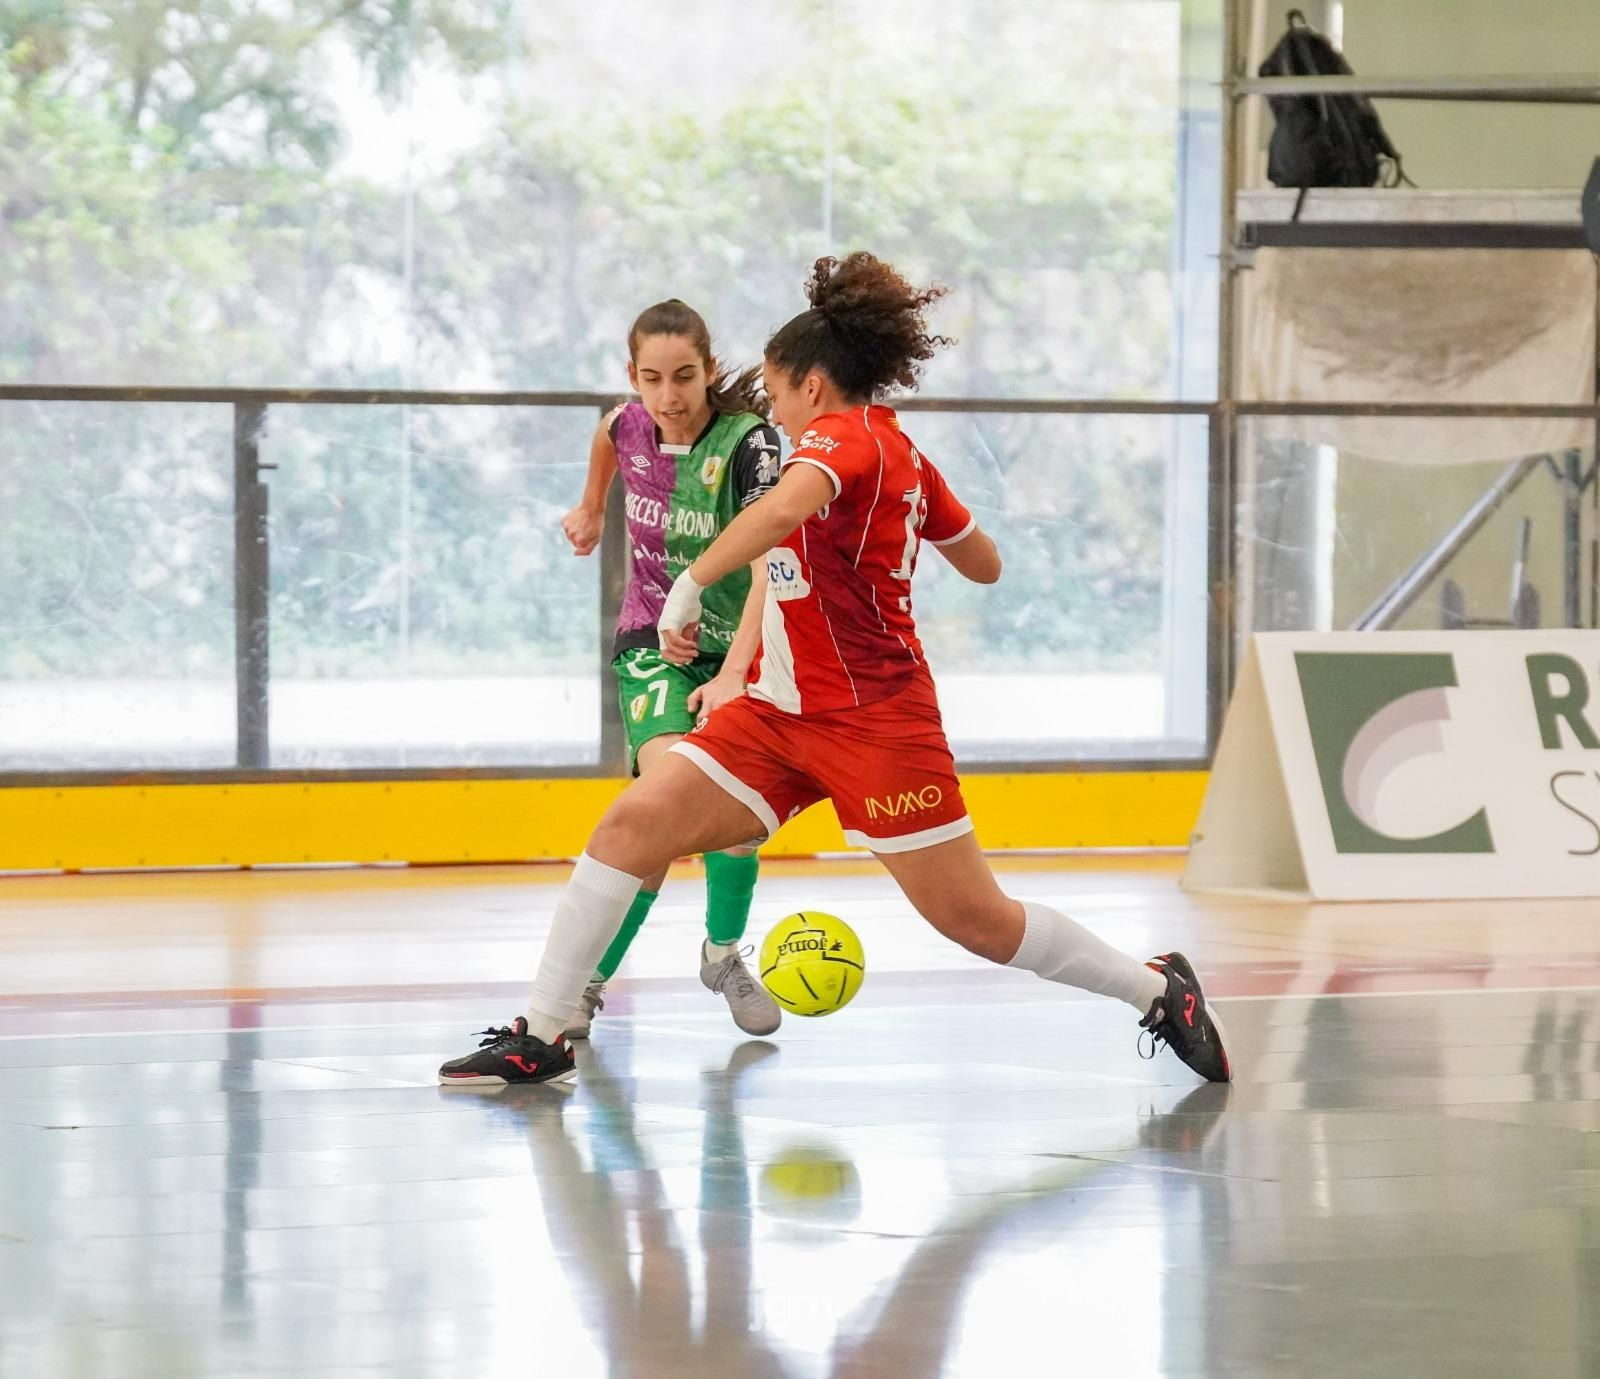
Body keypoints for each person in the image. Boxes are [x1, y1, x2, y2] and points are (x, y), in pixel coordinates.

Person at [440, 254, 1232, 1087]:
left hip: (877, 725)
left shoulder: (841, 441)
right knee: (631, 825)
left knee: (979, 922)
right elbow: (986, 563)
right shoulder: (905, 458)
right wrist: (903, 532)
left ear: (813, 387)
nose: (771, 411)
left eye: (778, 393)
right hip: (780, 714)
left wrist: (690, 582)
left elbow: (782, 508)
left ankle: (1157, 990)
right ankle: (545, 1030)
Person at [556, 299, 784, 1039]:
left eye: (684, 375)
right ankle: (589, 979)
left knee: (735, 823)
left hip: (737, 650)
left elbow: (771, 570)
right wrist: (592, 507)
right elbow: (607, 437)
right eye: (652, 378)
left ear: (710, 370)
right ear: (634, 378)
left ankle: (721, 955)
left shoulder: (749, 445)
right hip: (650, 643)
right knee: (663, 802)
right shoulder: (627, 426)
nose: (669, 396)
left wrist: (733, 674)